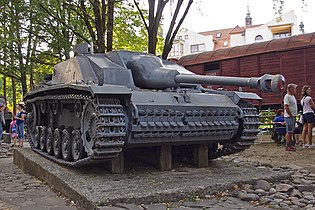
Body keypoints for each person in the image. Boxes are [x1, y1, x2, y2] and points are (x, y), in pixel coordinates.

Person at [283, 83, 298, 151]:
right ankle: (287, 145)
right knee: (289, 131)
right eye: (294, 88)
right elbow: (286, 106)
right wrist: (290, 114)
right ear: (290, 89)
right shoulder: (287, 96)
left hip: (293, 116)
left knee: (291, 131)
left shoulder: (292, 96)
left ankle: (290, 144)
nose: (295, 90)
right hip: (289, 116)